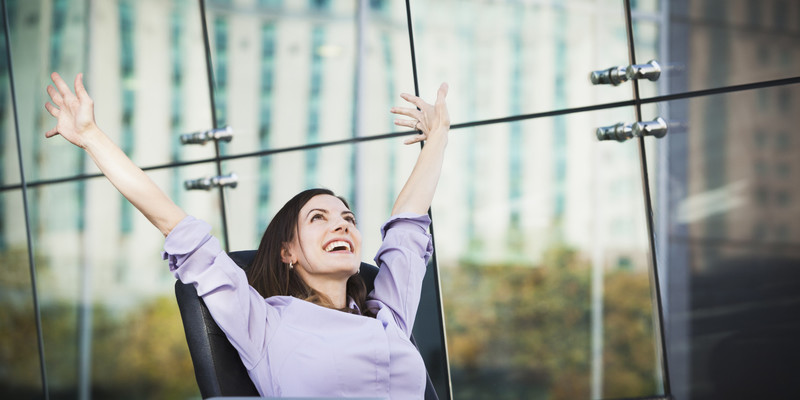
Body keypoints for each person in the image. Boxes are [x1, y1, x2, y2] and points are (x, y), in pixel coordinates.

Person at [44, 72, 450, 398]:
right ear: (287, 251)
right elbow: (173, 222)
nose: (342, 224)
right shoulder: (265, 322)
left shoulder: (388, 316)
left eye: (347, 217)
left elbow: (408, 224)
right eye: (318, 218)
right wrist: (91, 137)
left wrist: (438, 136)